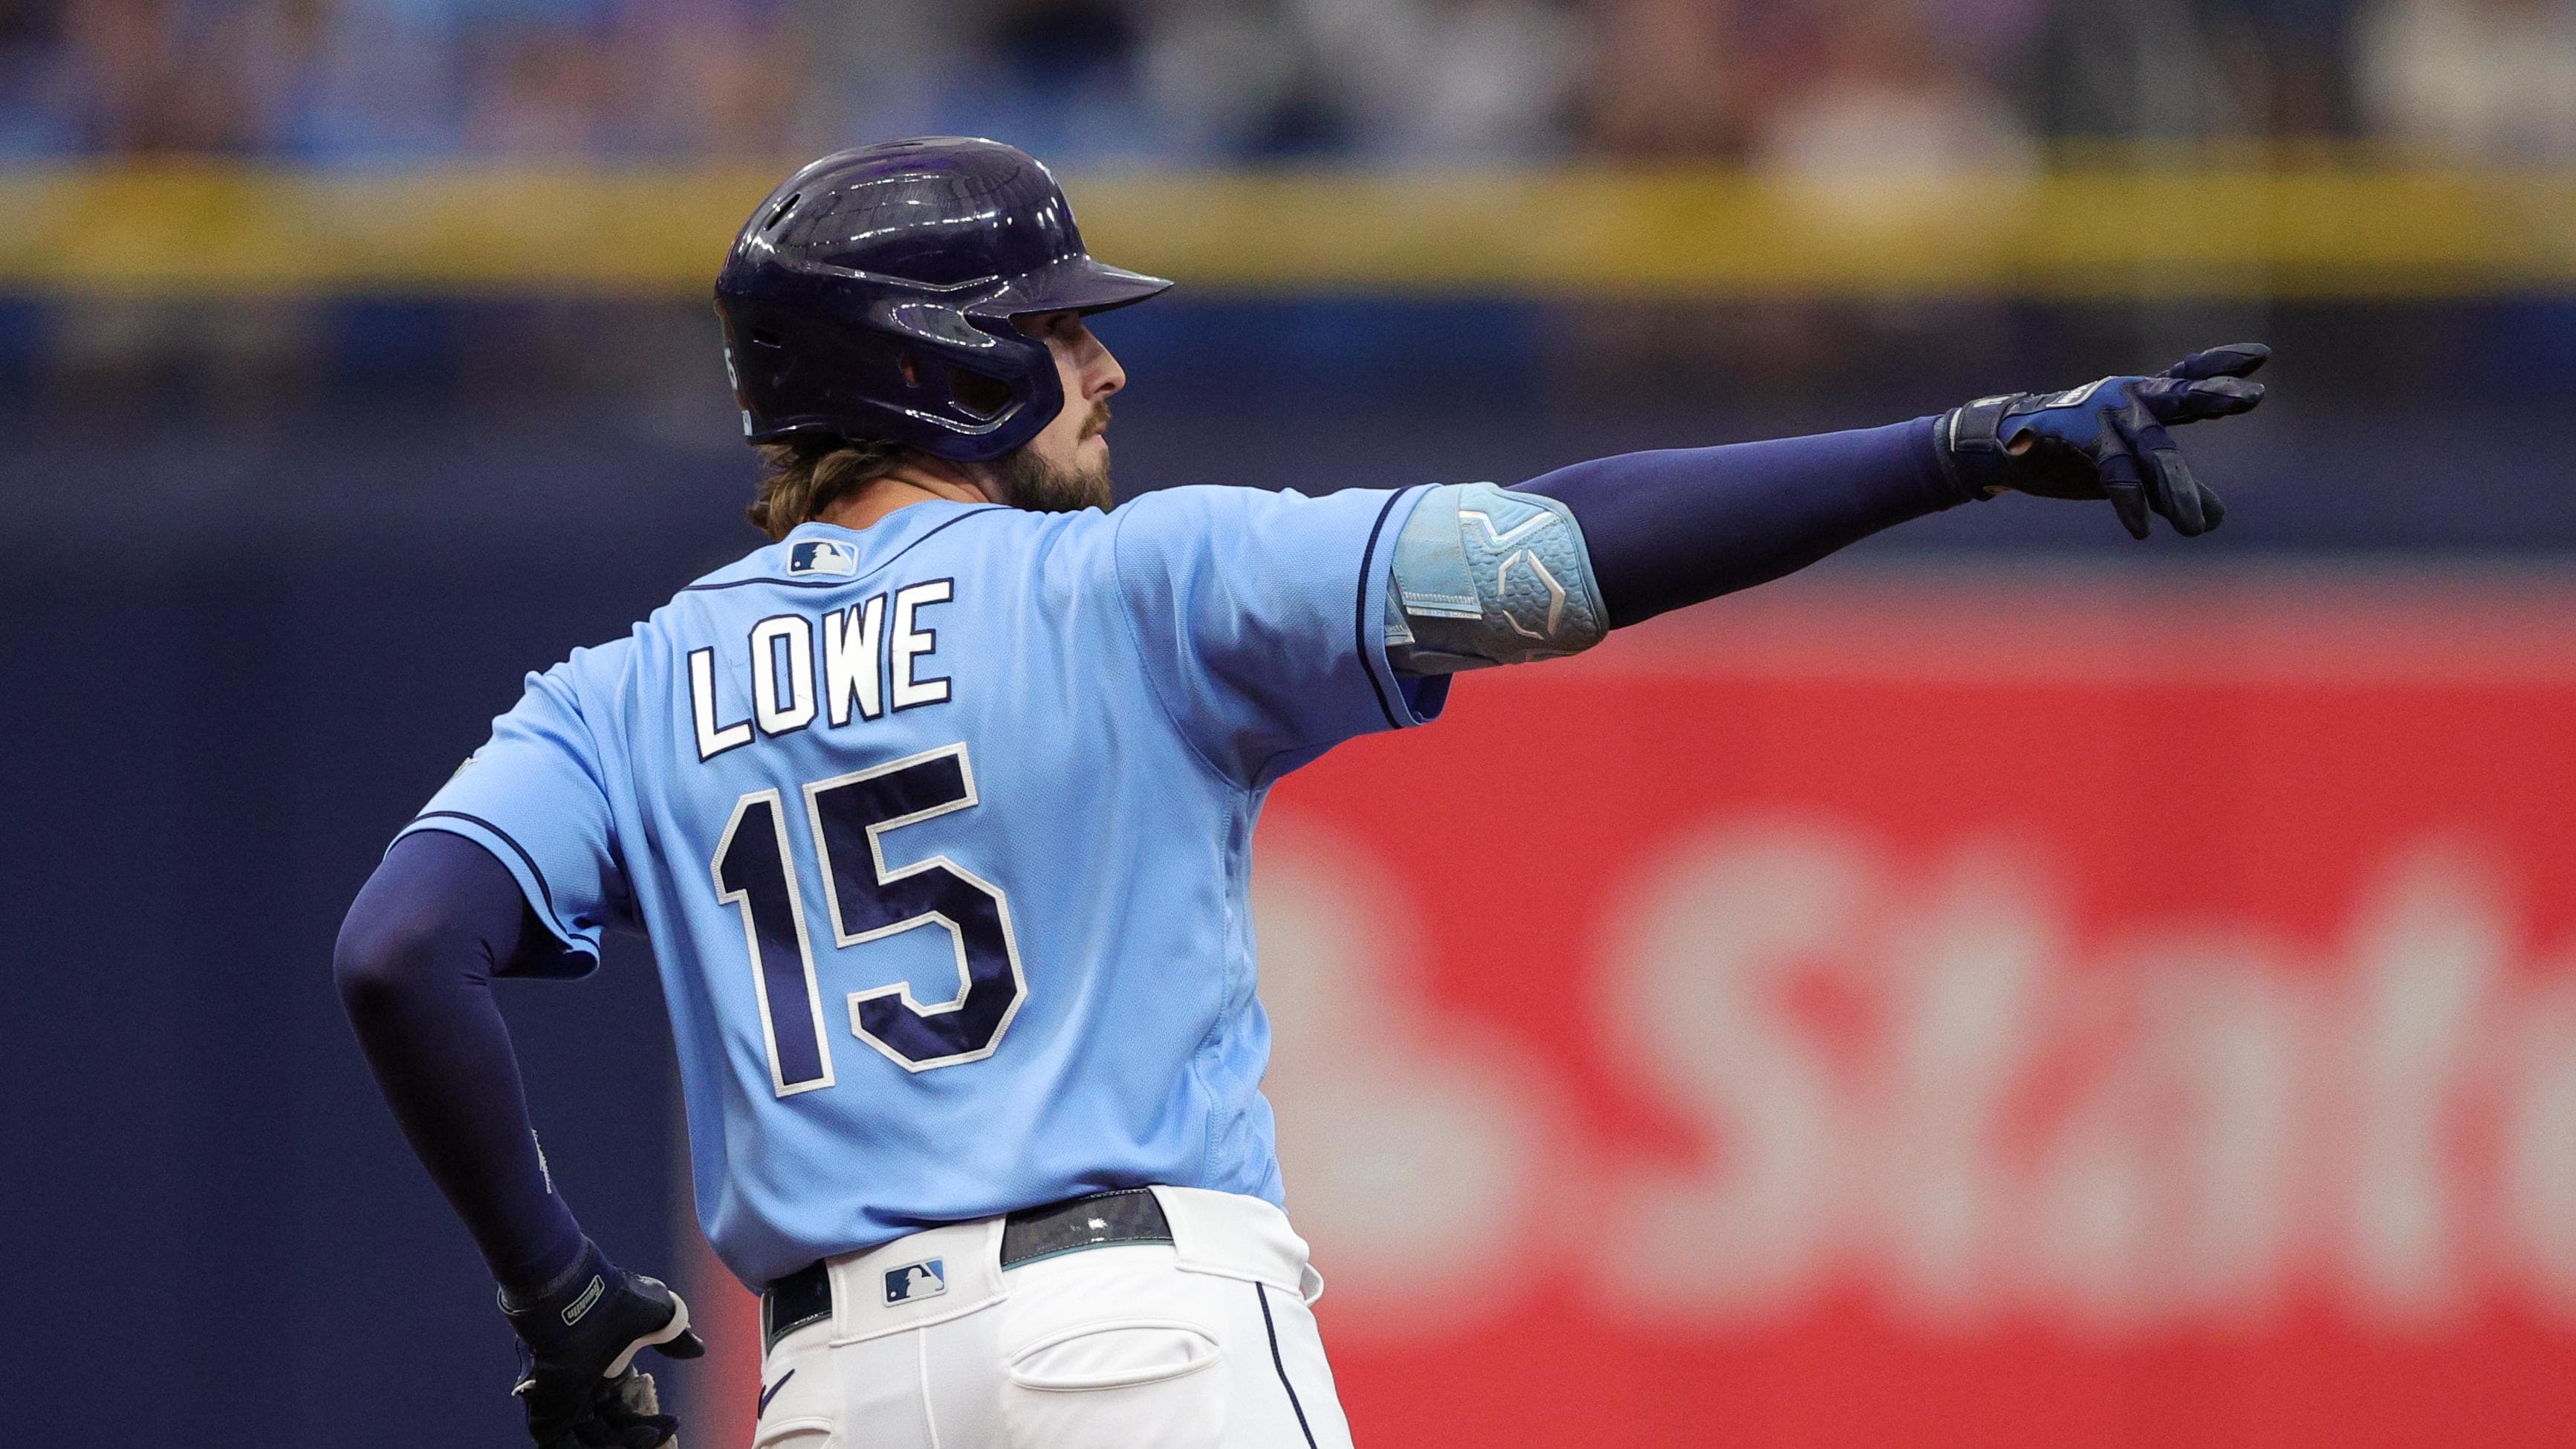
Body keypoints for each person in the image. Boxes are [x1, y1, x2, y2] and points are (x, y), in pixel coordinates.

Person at [332, 135, 2267, 1449]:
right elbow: (1556, 547)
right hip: (1136, 1343)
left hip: (829, 1388)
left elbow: (406, 949)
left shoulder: (630, 683)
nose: (1096, 364)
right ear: (936, 365)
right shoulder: (1133, 582)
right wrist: (1936, 449)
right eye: (1052, 330)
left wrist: (563, 1298)